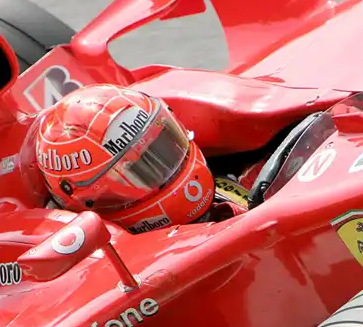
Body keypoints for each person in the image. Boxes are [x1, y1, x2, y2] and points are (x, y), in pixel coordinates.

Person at [30, 83, 251, 235]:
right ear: (96, 198)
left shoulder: (238, 182)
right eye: (139, 171)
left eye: (165, 146)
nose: (166, 166)